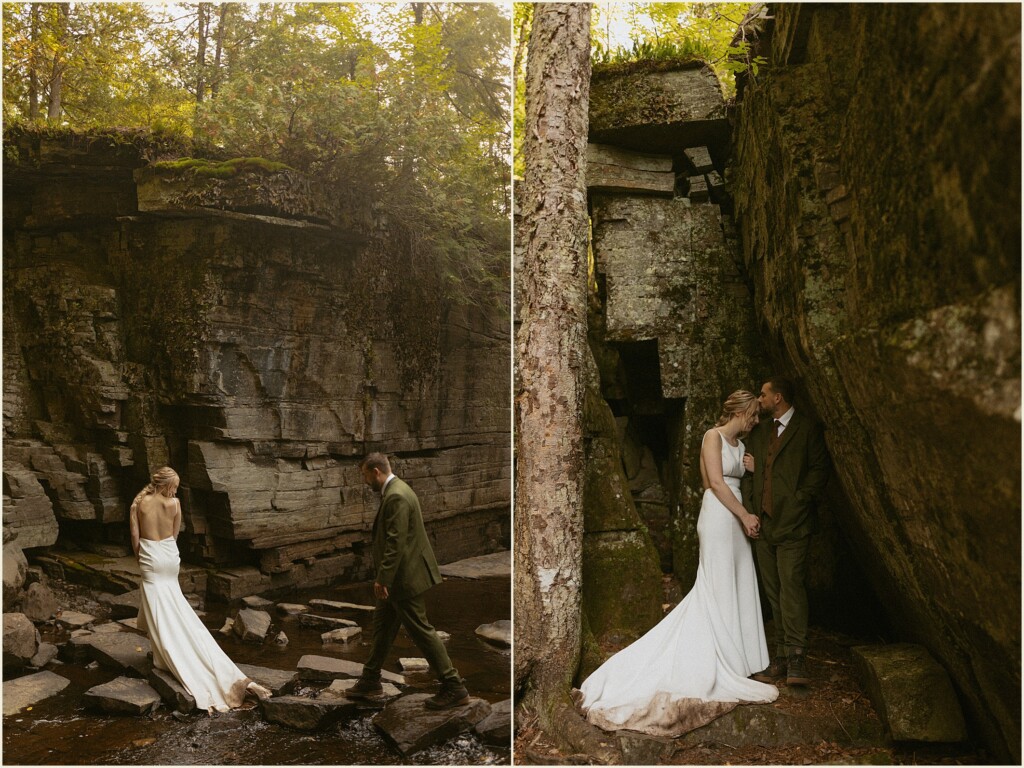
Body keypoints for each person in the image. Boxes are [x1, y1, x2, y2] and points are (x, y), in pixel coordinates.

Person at [578, 391, 778, 737]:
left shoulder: (742, 447)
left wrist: (755, 467)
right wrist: (745, 514)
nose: (755, 421)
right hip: (720, 516)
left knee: (739, 583)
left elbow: (749, 475)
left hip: (737, 516)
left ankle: (741, 660)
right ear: (741, 410)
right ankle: (720, 658)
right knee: (716, 586)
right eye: (753, 415)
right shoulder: (711, 437)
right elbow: (715, 482)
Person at [129, 467, 271, 712]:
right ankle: (174, 654)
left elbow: (135, 537)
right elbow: (174, 535)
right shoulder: (174, 504)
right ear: (165, 485)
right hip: (169, 555)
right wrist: (167, 551)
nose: (174, 491)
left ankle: (165, 655)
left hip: (150, 556)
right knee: (175, 602)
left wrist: (142, 557)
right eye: (173, 487)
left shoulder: (138, 503)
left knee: (158, 606)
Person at [348, 452, 469, 709]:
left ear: (376, 472)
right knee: (382, 628)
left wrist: (383, 579)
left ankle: (453, 686)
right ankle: (370, 680)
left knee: (421, 630)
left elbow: (396, 542)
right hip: (399, 577)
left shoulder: (396, 496)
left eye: (365, 475)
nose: (365, 481)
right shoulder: (398, 490)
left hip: (403, 580)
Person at [741, 376, 830, 686]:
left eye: (763, 395)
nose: (760, 399)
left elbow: (819, 470)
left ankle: (796, 657)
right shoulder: (761, 431)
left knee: (791, 587)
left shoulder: (807, 428)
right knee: (773, 591)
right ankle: (779, 655)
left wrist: (799, 500)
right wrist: (752, 509)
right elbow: (751, 474)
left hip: (794, 524)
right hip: (763, 525)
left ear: (777, 397)